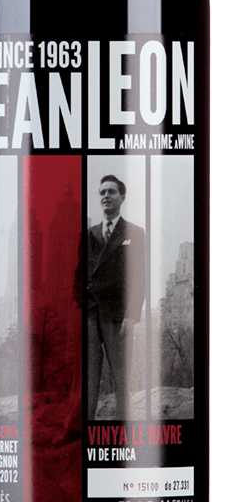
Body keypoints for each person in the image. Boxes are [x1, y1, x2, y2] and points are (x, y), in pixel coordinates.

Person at [87, 175, 145, 419]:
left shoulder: (134, 232)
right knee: (89, 378)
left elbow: (139, 277)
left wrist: (131, 316)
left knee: (122, 378)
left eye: (111, 191)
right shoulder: (89, 234)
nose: (106, 196)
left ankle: (122, 431)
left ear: (122, 197)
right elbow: (78, 276)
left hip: (117, 315)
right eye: (102, 192)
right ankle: (86, 429)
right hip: (90, 315)